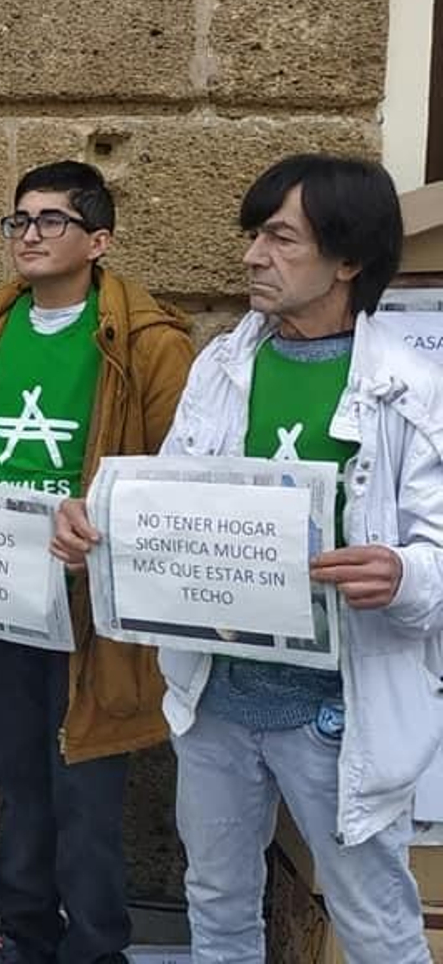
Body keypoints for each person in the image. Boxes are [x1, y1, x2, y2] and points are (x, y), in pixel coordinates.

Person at [53, 155, 443, 964]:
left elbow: (437, 558)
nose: (252, 256)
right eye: (253, 235)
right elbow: (179, 506)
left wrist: (406, 575)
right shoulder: (224, 366)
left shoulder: (413, 390)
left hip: (339, 713)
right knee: (218, 903)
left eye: (279, 238)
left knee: (374, 922)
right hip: (219, 702)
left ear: (349, 260)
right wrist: (99, 527)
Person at [0, 160, 194, 964]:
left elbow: (175, 477)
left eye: (51, 220)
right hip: (7, 596)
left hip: (93, 610)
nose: (29, 234)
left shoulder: (151, 343)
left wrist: (102, 524)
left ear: (99, 240)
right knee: (19, 783)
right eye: (19, 220)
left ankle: (96, 948)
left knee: (86, 794)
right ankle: (21, 933)